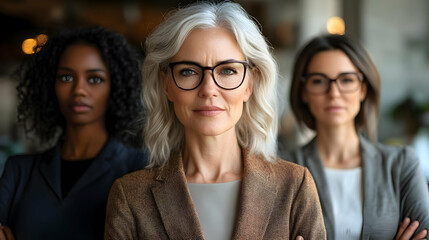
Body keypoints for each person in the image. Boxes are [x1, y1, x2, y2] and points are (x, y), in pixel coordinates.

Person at [105, 1, 326, 239]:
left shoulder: (294, 186)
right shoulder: (130, 196)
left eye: (228, 70)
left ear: (250, 84)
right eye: (188, 71)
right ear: (166, 84)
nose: (208, 89)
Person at [0, 26, 148, 240]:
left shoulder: (140, 168)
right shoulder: (19, 171)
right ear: (50, 85)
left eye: (94, 79)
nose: (79, 89)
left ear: (115, 87)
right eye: (66, 78)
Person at [282, 33, 429, 240]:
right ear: (303, 91)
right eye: (318, 81)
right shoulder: (283, 169)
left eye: (347, 79)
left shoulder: (402, 164)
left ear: (363, 89)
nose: (334, 93)